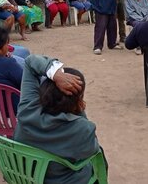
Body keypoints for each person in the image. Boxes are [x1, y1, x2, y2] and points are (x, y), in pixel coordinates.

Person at [14, 54, 102, 184]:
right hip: (63, 180)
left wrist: (55, 74)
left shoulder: (27, 109)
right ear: (78, 99)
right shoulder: (82, 129)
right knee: (99, 158)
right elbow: (91, 151)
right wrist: (78, 107)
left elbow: (30, 62)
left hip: (27, 178)